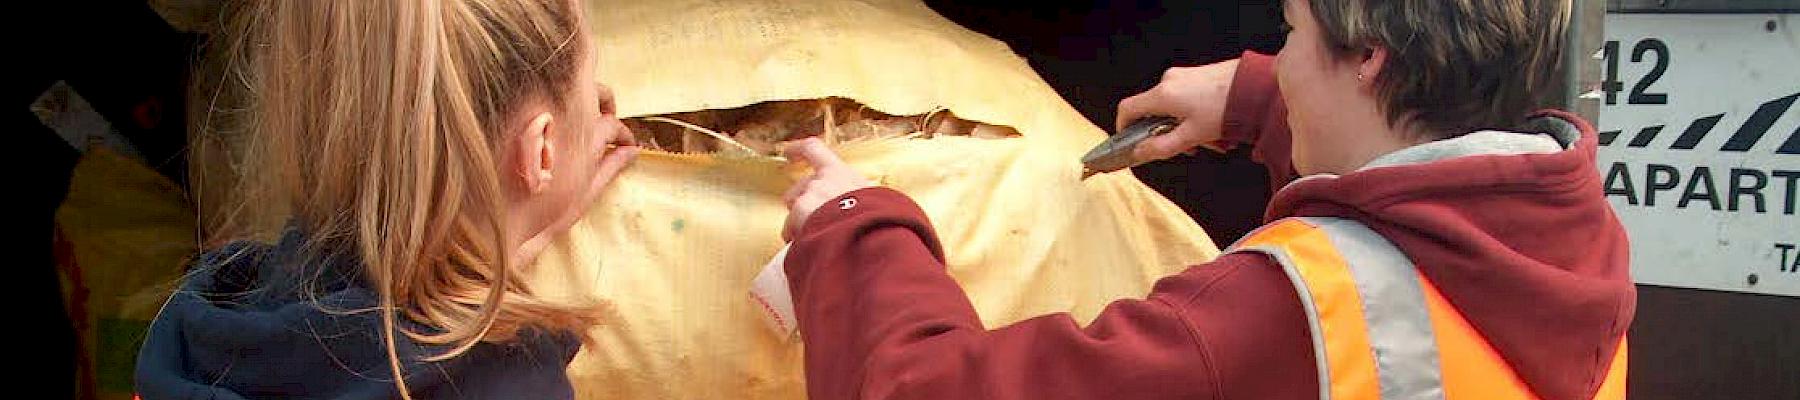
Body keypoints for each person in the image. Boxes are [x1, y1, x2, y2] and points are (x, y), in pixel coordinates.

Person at [776, 0, 1634, 399]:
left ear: (1369, 57)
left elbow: (922, 392)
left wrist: (854, 231)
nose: (1280, 53)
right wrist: (1261, 100)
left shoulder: (1272, 311)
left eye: (1292, 33)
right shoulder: (1566, 233)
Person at [133, 1, 639, 398]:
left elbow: (379, 324)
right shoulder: (509, 384)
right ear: (542, 151)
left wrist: (512, 230)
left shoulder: (205, 321)